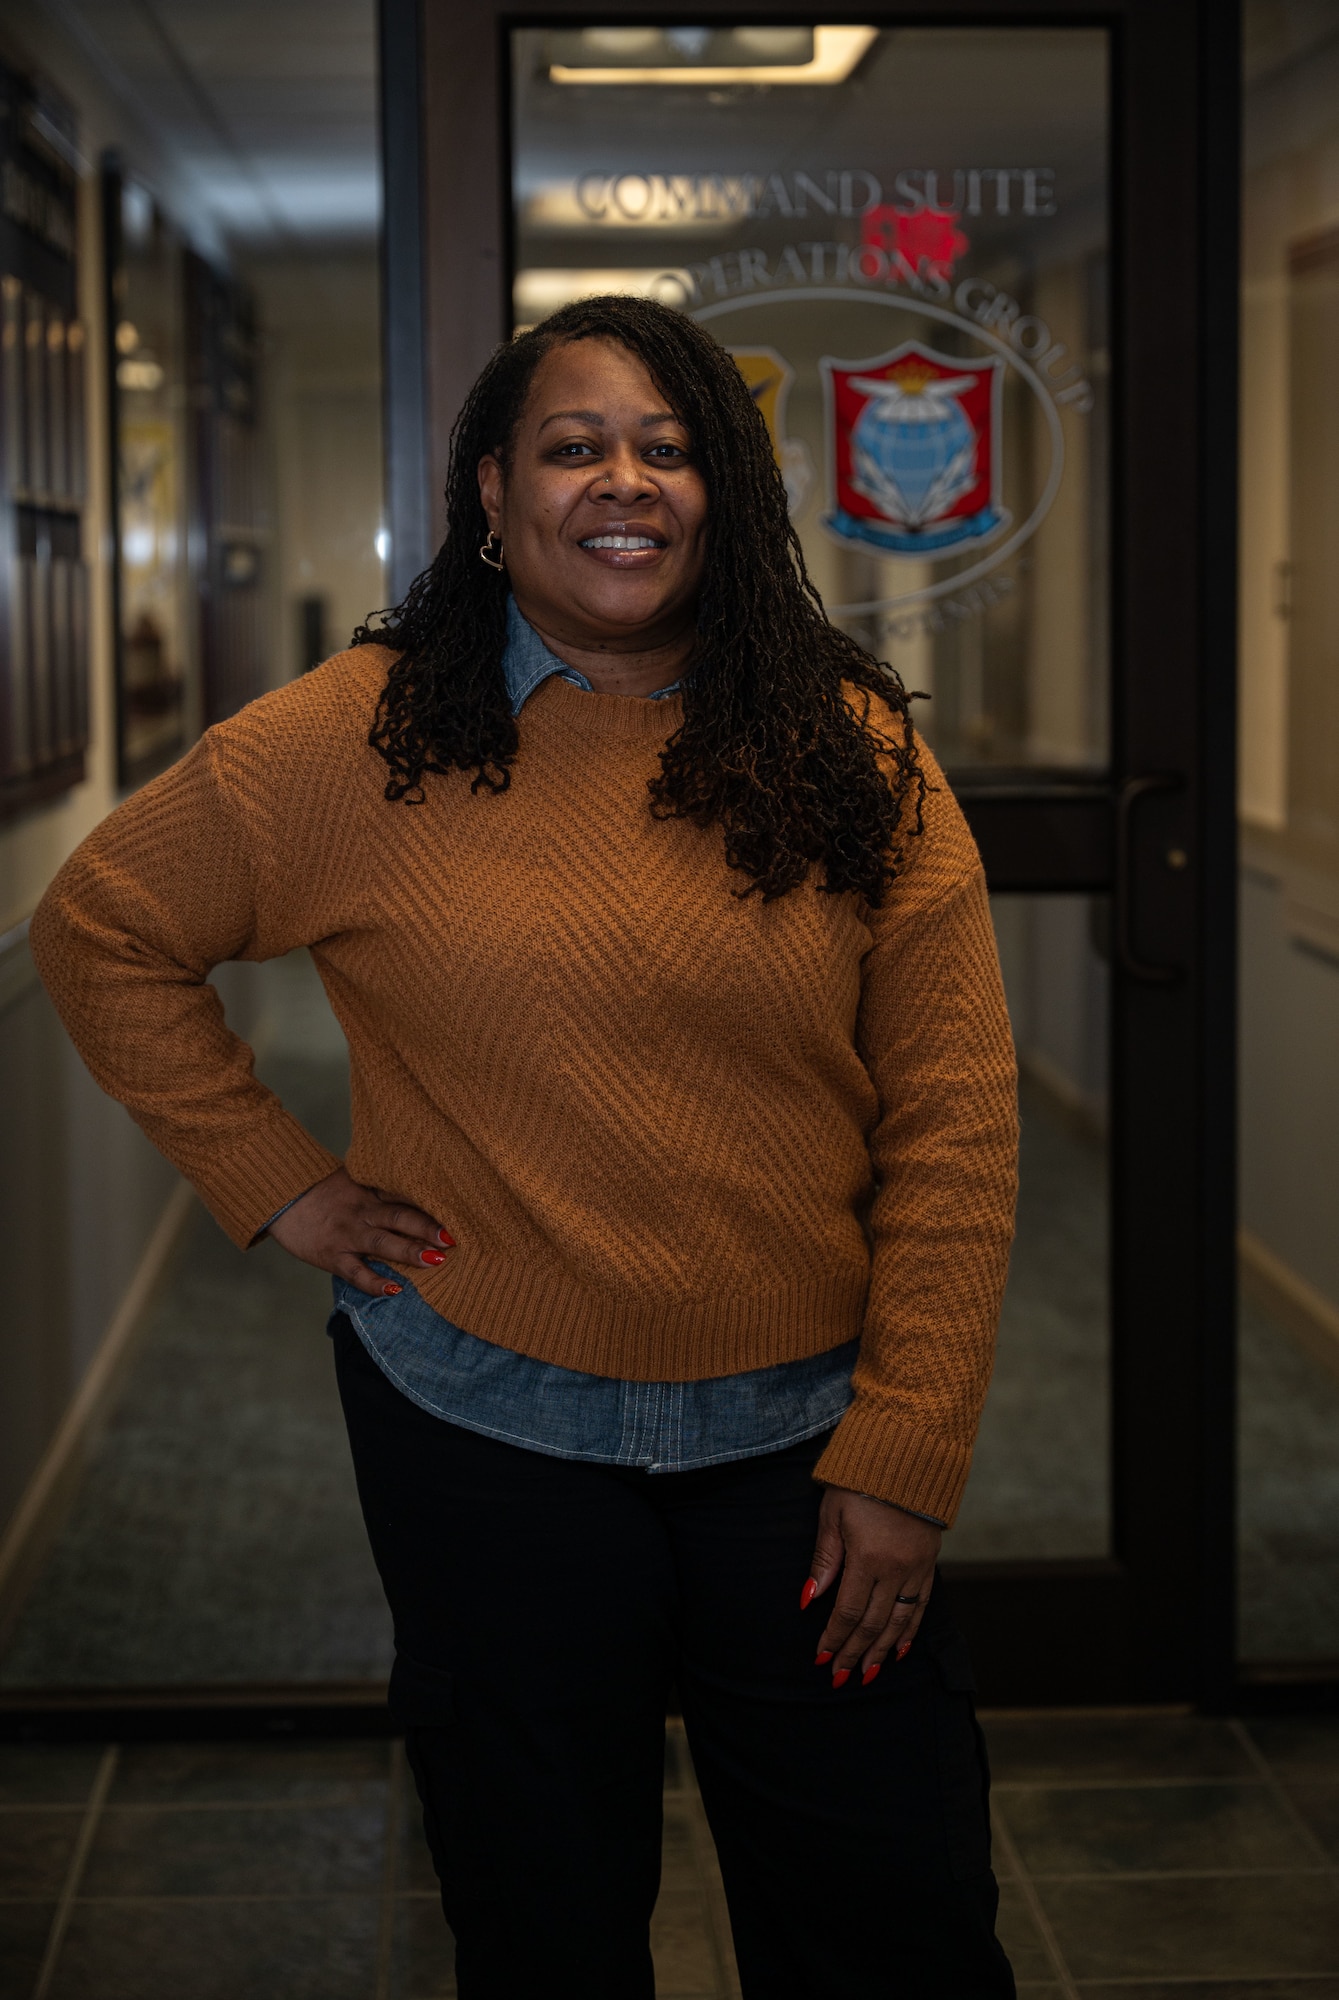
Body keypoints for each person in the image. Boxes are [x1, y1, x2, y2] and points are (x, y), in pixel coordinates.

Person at [32, 295, 1019, 1998]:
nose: (622, 481)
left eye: (668, 445)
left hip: (803, 1446)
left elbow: (956, 1127)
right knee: (541, 1921)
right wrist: (284, 1185)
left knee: (891, 1925)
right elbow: (100, 928)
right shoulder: (356, 738)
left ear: (728, 494)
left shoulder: (853, 750)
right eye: (572, 446)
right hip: (483, 1423)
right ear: (493, 492)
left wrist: (905, 1450)